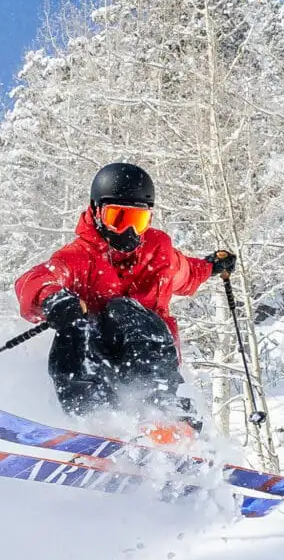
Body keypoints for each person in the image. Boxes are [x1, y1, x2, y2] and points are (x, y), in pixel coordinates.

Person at [13, 161, 236, 421]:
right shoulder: (80, 257)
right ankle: (92, 420)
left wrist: (211, 266)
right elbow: (36, 280)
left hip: (152, 362)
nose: (129, 231)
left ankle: (163, 416)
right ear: (97, 211)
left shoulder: (159, 253)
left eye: (137, 221)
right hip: (96, 363)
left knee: (124, 309)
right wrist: (52, 298)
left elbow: (187, 273)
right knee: (74, 325)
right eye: (118, 219)